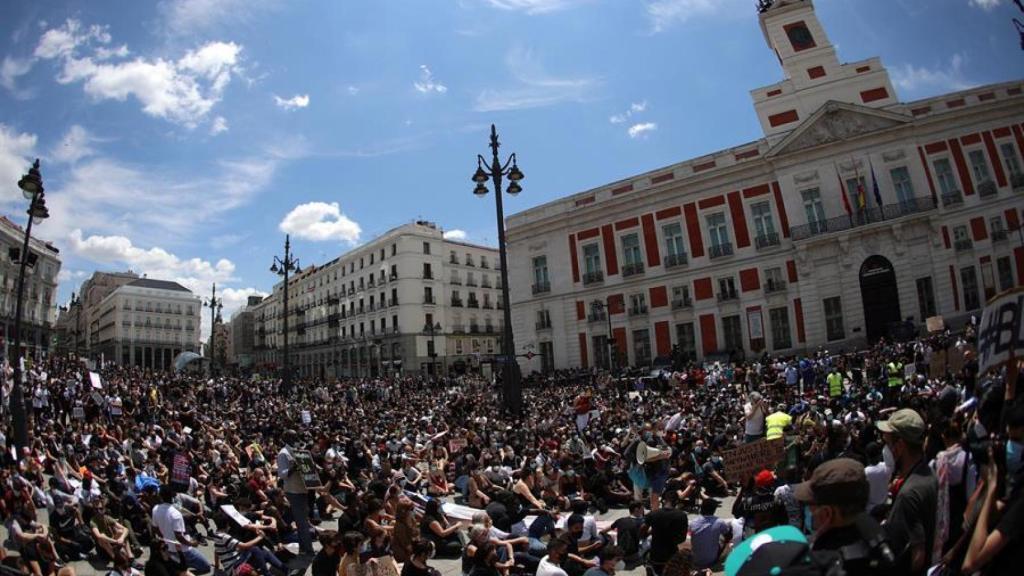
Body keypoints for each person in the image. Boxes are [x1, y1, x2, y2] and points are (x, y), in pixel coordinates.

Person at [793, 458, 888, 576]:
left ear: (828, 513)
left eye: (810, 504)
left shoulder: (824, 561)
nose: (810, 511)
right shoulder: (873, 531)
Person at [877, 408, 936, 576]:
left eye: (888, 444)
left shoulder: (909, 494)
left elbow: (917, 557)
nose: (887, 449)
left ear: (900, 446)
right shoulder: (930, 473)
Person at [152, 485, 211, 575]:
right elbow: (179, 537)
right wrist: (192, 543)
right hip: (183, 550)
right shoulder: (176, 513)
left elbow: (155, 528)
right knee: (206, 567)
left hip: (168, 548)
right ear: (173, 497)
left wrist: (165, 537)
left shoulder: (155, 509)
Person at [276, 430, 314, 556]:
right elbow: (282, 474)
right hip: (293, 491)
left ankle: (303, 548)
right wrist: (293, 468)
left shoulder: (297, 451)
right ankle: (308, 550)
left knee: (303, 520)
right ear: (287, 438)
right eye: (293, 436)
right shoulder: (283, 454)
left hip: (302, 489)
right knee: (302, 522)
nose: (296, 438)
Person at [642, 489, 688, 575]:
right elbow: (682, 539)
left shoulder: (653, 514)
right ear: (677, 502)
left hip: (655, 555)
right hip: (671, 554)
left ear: (663, 500)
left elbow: (642, 531)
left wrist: (651, 534)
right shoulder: (682, 515)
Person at [688, 499, 731, 572]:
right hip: (712, 560)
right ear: (714, 510)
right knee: (726, 542)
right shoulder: (719, 522)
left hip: (695, 560)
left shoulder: (693, 522)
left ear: (701, 508)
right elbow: (728, 536)